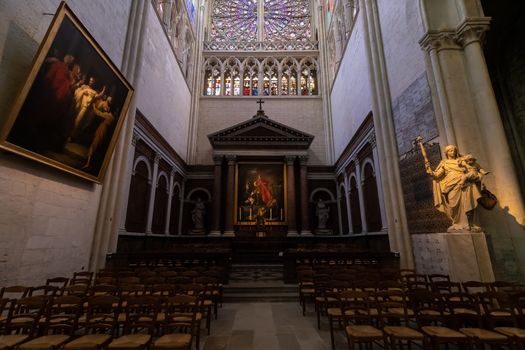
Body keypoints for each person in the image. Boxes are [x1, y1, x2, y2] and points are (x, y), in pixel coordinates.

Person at [425, 145, 483, 232]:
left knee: (467, 203)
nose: (453, 152)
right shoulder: (444, 163)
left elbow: (471, 169)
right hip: (450, 185)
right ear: (446, 153)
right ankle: (456, 223)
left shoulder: (461, 161)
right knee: (452, 206)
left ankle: (469, 224)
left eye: (454, 150)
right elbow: (437, 175)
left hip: (463, 184)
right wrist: (430, 171)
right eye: (450, 151)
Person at [82, 95, 114, 170]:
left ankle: (88, 163)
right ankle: (90, 163)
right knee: (97, 146)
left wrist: (93, 106)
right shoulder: (112, 117)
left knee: (94, 145)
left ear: (109, 109)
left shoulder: (108, 115)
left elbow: (97, 113)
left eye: (107, 107)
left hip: (102, 130)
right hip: (103, 130)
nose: (105, 108)